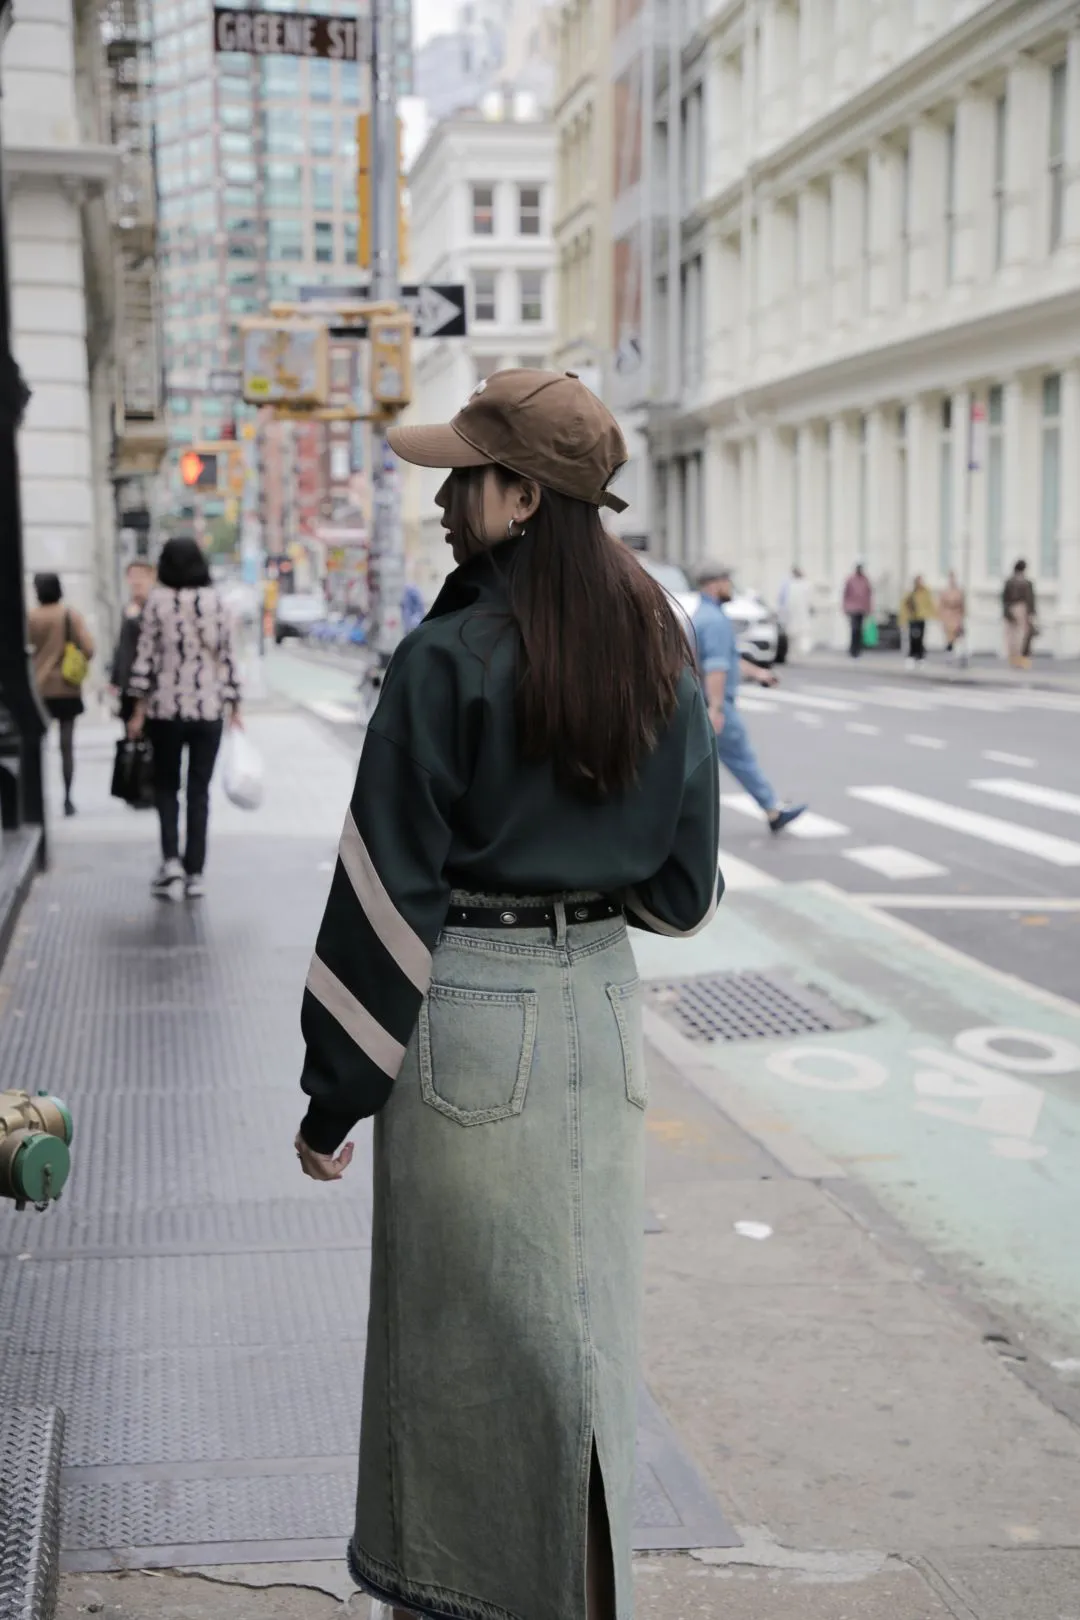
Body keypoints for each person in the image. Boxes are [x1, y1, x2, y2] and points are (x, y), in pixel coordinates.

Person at [292, 368, 721, 1620]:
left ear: (522, 494)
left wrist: (333, 1099)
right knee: (584, 1358)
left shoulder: (452, 657)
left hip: (469, 1012)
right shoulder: (656, 649)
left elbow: (384, 889)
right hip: (599, 1007)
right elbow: (686, 886)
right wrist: (582, 900)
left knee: (467, 1357)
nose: (440, 499)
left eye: (462, 476)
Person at [128, 537, 242, 901]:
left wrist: (137, 709)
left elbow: (144, 660)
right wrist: (235, 705)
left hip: (166, 710)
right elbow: (228, 657)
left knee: (166, 788)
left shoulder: (157, 603)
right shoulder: (217, 602)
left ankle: (171, 863)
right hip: (208, 711)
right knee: (199, 791)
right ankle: (196, 873)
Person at [693, 561, 807, 834]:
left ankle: (771, 809)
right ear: (714, 584)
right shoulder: (714, 621)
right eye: (726, 581)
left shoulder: (706, 616)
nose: (730, 586)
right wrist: (717, 709)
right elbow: (716, 667)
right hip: (716, 705)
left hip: (706, 704)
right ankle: (772, 810)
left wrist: (759, 674)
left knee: (706, 765)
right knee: (740, 758)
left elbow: (729, 659)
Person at [27, 572, 95, 817]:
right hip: (66, 688)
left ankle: (35, 799)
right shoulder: (69, 615)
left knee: (35, 745)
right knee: (67, 746)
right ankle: (67, 798)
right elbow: (89, 648)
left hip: (39, 688)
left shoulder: (31, 617)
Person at [109, 560, 156, 724]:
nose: (136, 581)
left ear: (152, 577)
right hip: (127, 682)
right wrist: (114, 678)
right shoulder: (128, 608)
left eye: (141, 576)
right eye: (132, 576)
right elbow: (121, 646)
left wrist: (136, 617)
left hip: (149, 684)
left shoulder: (155, 608)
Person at [1003, 558, 1036, 669]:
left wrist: (1006, 611)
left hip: (1013, 608)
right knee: (1020, 635)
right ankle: (1019, 658)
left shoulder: (1010, 582)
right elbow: (1030, 599)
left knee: (1014, 635)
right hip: (1021, 609)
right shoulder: (1026, 583)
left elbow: (1004, 598)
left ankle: (1015, 658)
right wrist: (1031, 613)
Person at [899, 574, 936, 667]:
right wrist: (903, 619)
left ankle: (920, 656)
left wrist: (933, 615)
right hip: (913, 618)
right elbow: (904, 604)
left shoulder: (925, 591)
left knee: (920, 638)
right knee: (913, 638)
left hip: (921, 617)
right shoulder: (911, 592)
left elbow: (929, 603)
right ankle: (912, 656)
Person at [777, 565, 813, 659]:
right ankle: (797, 651)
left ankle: (799, 651)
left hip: (797, 613)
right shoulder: (795, 584)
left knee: (798, 633)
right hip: (795, 614)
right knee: (795, 633)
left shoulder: (800, 585)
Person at [842, 563, 873, 657]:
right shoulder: (850, 579)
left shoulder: (865, 580)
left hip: (862, 608)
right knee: (854, 629)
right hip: (852, 608)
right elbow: (845, 594)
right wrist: (845, 607)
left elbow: (869, 595)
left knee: (859, 630)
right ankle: (853, 649)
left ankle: (858, 649)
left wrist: (869, 608)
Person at [938, 570, 966, 657]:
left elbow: (962, 605)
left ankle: (959, 653)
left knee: (958, 635)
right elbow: (941, 605)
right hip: (948, 616)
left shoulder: (959, 591)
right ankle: (949, 653)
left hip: (956, 616)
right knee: (949, 636)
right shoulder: (945, 591)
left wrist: (962, 615)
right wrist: (941, 616)